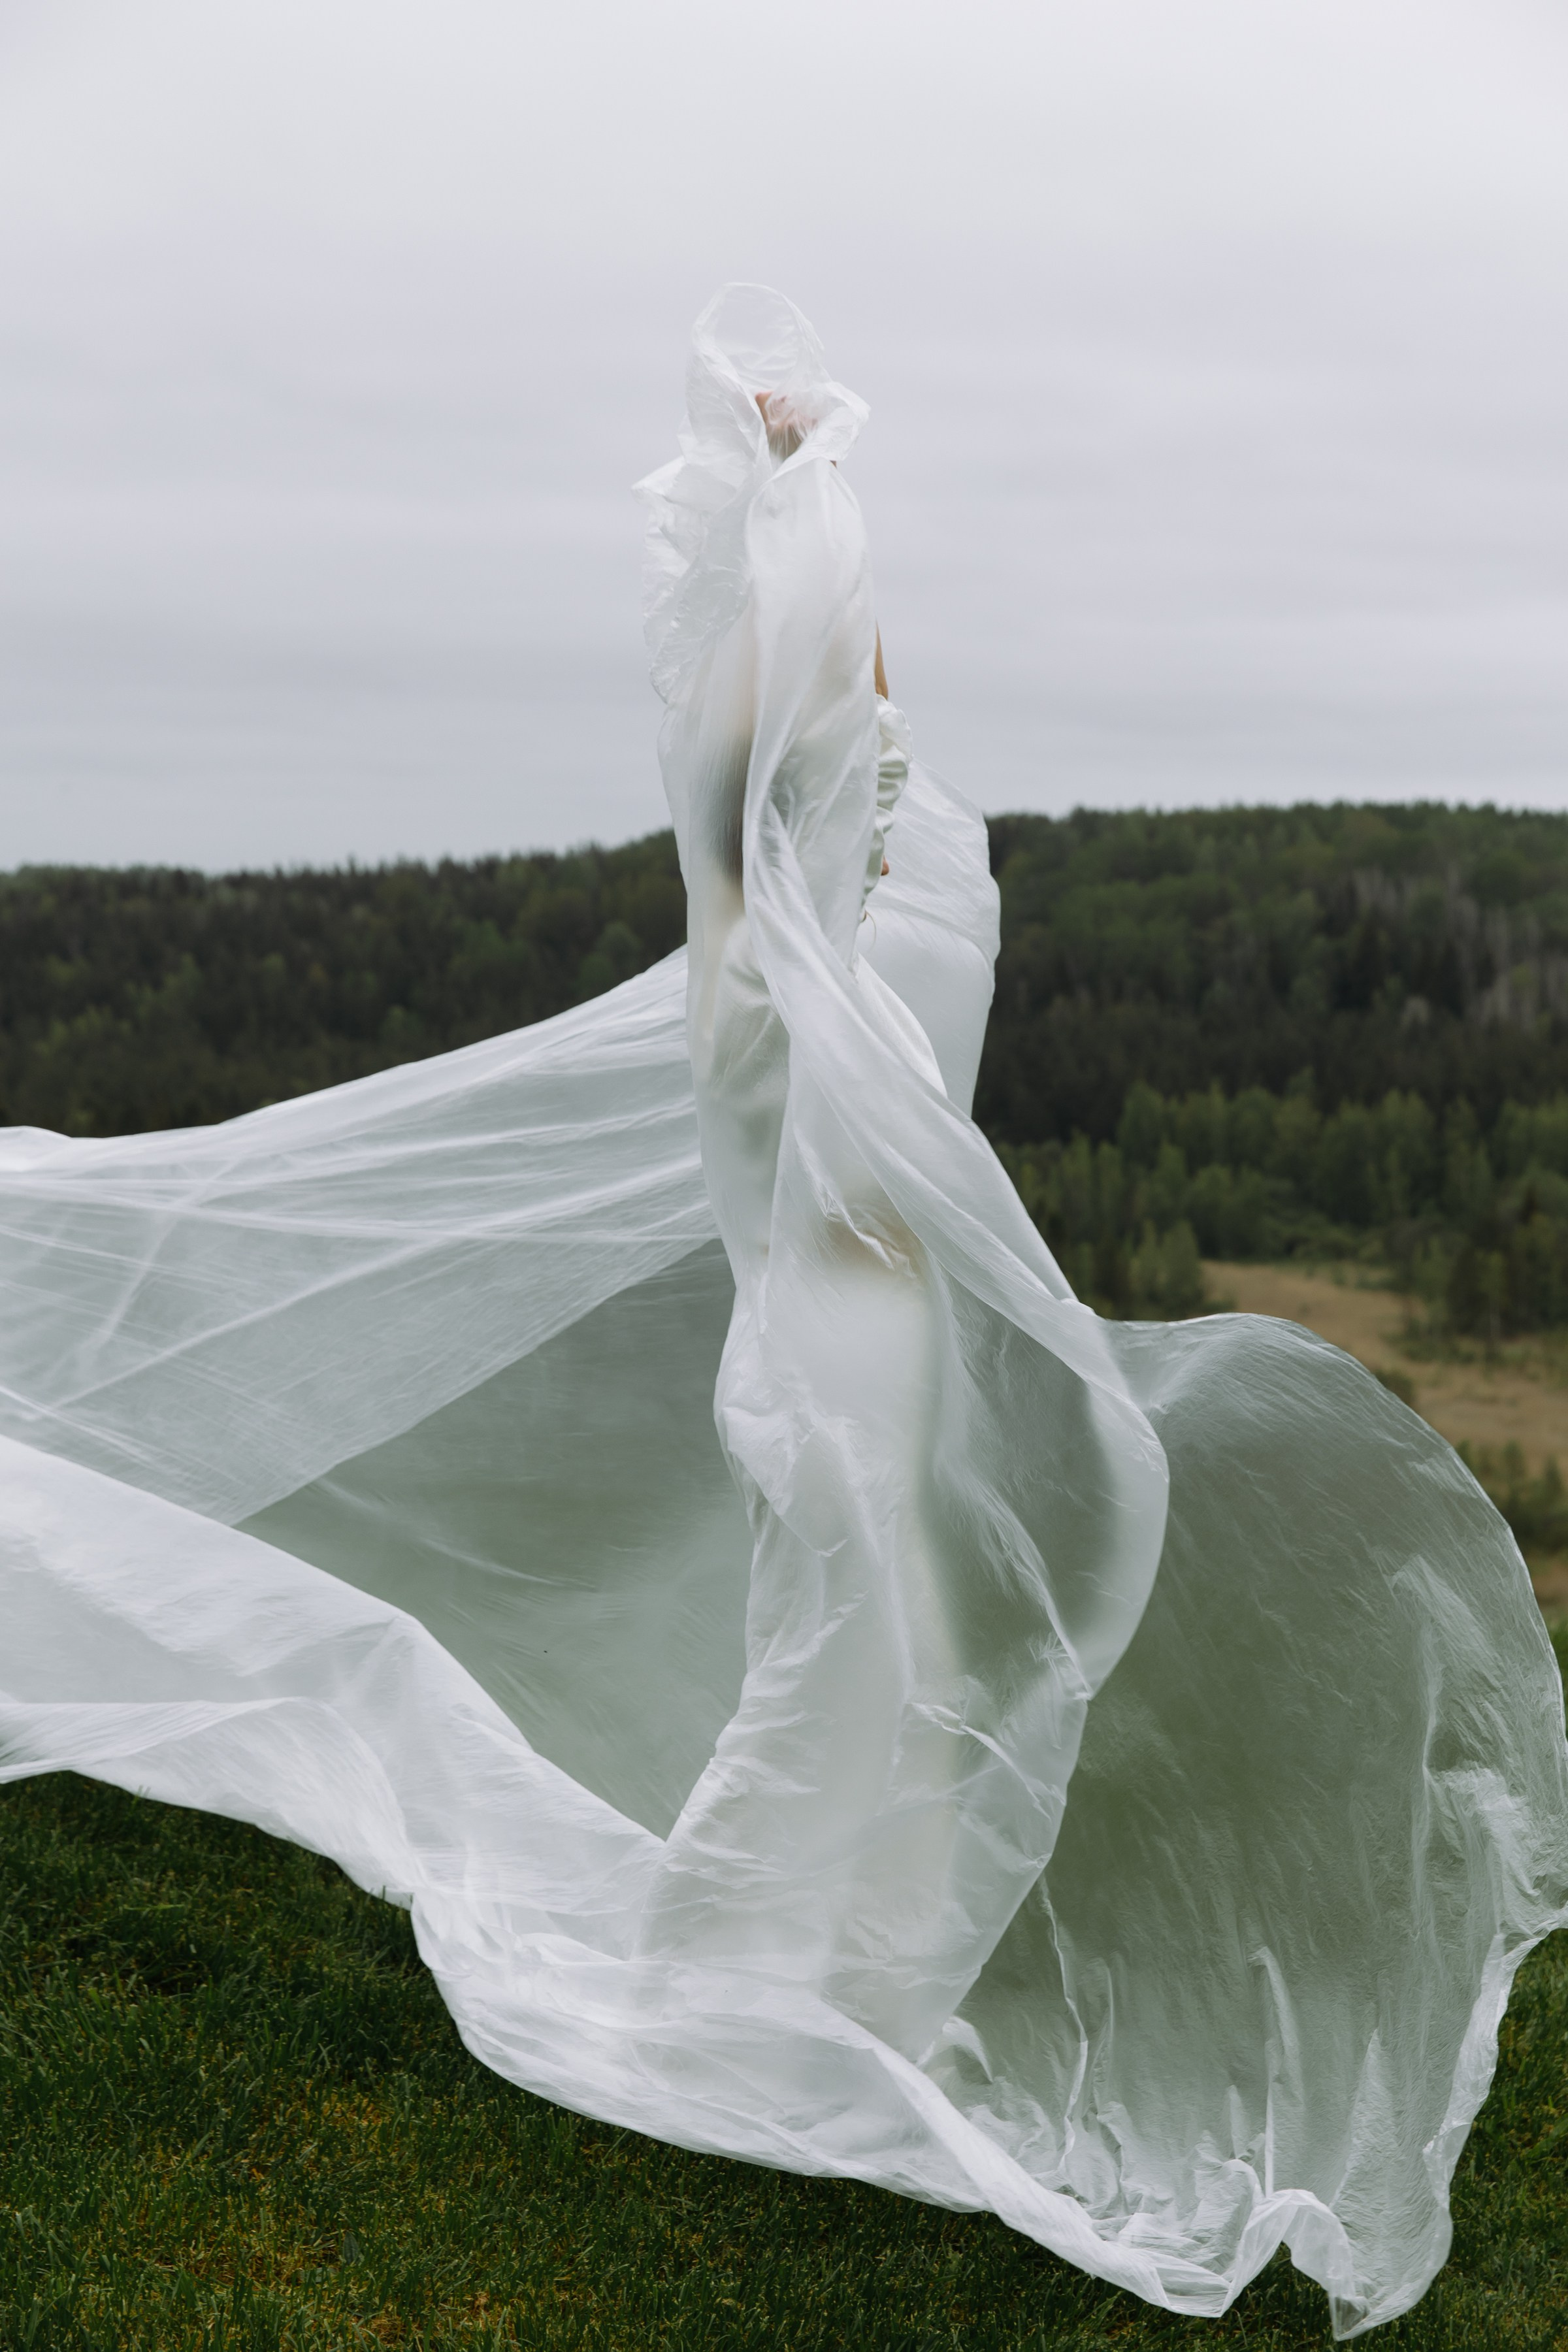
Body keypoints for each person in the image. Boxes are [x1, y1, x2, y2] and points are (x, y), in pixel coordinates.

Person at [1, 285, 1564, 2340]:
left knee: (887, 1656)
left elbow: (789, 760)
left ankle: (815, 1982)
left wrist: (799, 517)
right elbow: (805, 756)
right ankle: (770, 1984)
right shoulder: (874, 923)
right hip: (850, 1350)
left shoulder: (822, 941)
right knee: (873, 1653)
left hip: (863, 1348)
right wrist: (800, 516)